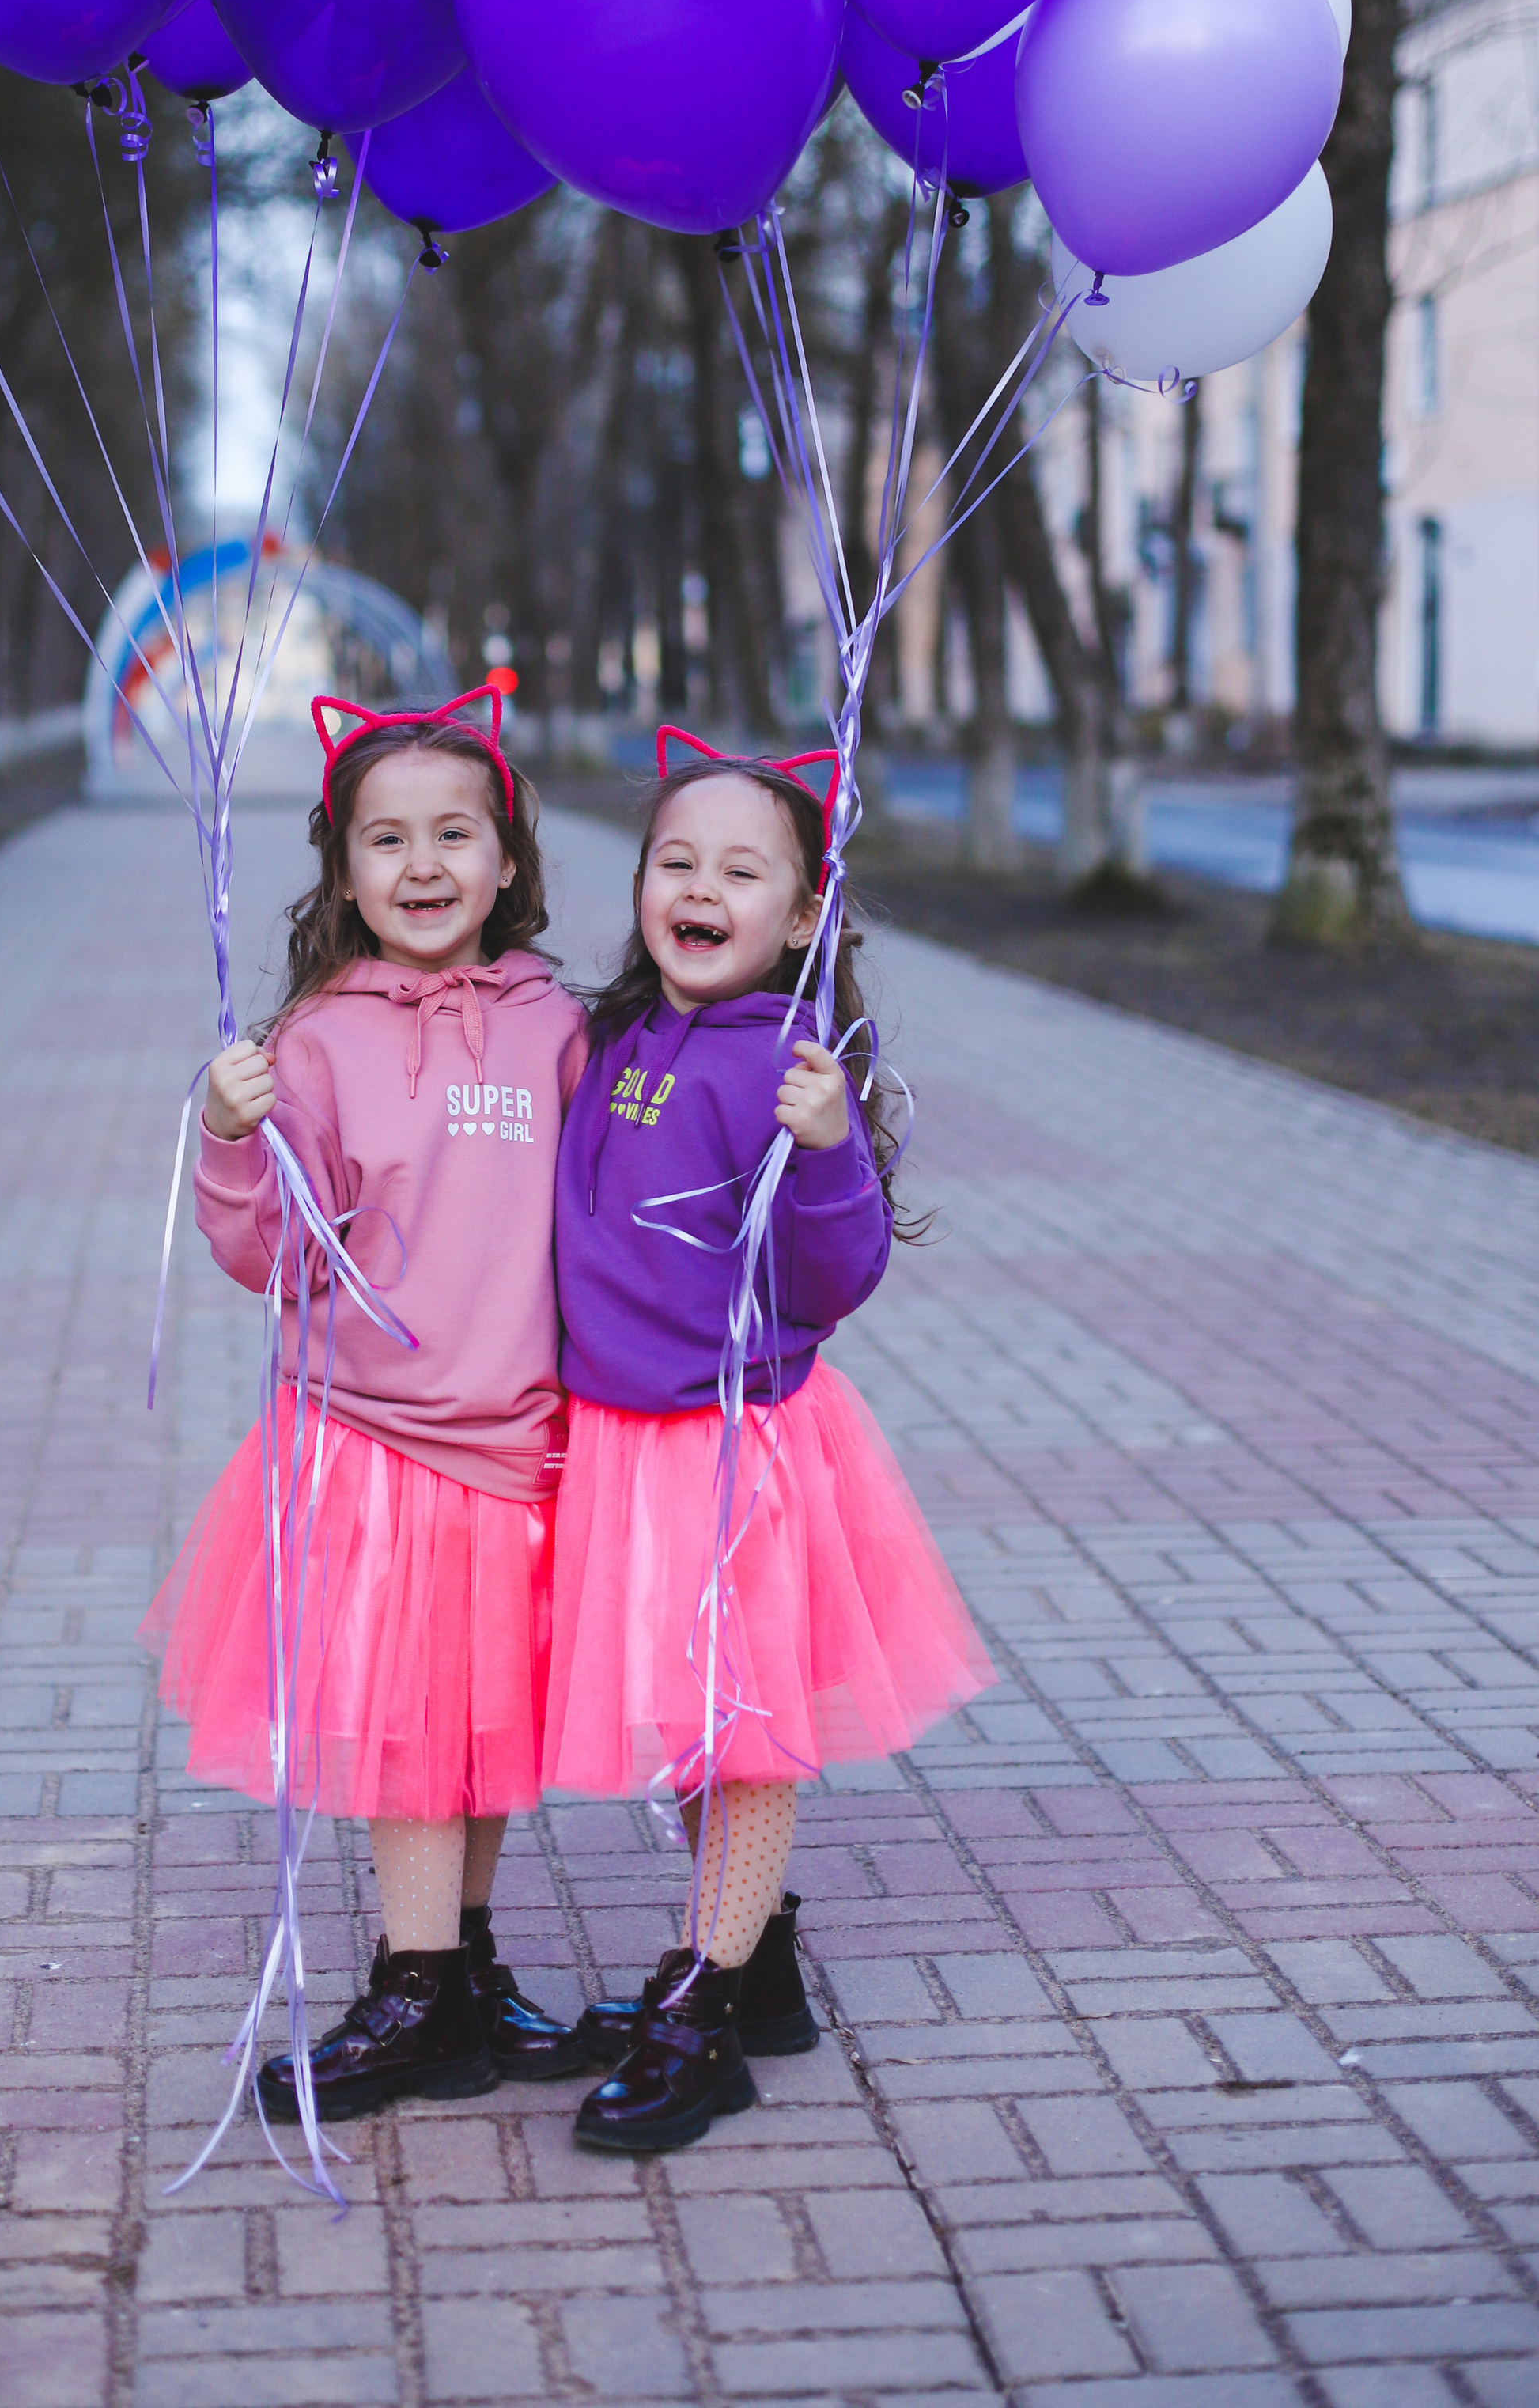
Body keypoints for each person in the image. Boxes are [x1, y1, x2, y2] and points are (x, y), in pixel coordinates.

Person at [140, 687, 591, 2122]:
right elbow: (272, 1251)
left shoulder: (557, 1025)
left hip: (525, 1438)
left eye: (455, 833)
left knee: (487, 1728)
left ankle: (464, 1975)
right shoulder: (318, 1042)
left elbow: (606, 1218)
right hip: (385, 1442)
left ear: (508, 858)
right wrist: (229, 1133)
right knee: (413, 1725)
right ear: (342, 872)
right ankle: (410, 1987)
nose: (423, 865)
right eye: (386, 840)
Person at [546, 733, 992, 2154]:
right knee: (693, 1724)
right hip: (621, 1444)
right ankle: (757, 1965)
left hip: (734, 1452)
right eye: (675, 861)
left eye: (741, 870)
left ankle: (708, 2003)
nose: (699, 887)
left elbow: (834, 1275)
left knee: (740, 1733)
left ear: (803, 914)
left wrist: (828, 1152)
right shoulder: (615, 1040)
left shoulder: (790, 1071)